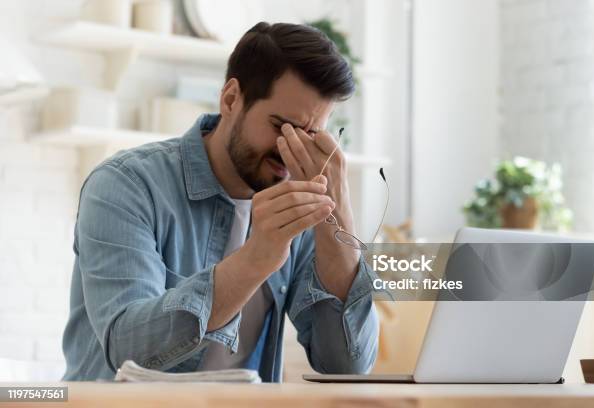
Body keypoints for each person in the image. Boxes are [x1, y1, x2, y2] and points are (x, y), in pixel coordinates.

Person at [62, 22, 379, 382]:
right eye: (280, 126)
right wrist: (258, 257)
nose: (290, 150)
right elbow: (128, 351)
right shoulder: (126, 185)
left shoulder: (300, 203)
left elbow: (347, 366)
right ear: (231, 99)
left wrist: (338, 217)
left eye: (310, 135)